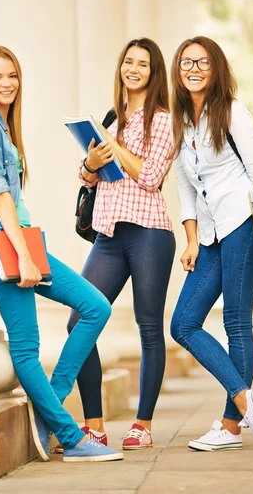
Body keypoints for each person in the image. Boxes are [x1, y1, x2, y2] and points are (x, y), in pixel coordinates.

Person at [0, 45, 124, 463]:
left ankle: (50, 410)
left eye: (11, 75)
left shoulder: (2, 125)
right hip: (3, 248)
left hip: (24, 242)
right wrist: (25, 257)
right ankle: (70, 437)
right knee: (27, 347)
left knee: (95, 307)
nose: (6, 83)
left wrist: (31, 250)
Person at [169, 36, 253, 452]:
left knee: (237, 322)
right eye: (186, 63)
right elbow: (183, 184)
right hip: (210, 231)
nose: (193, 69)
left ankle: (231, 426)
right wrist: (191, 240)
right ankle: (244, 399)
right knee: (182, 323)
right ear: (178, 72)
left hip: (242, 221)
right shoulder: (180, 120)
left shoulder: (233, 111)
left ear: (216, 68)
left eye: (201, 62)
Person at [66, 38, 176, 450]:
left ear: (153, 72)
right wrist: (91, 163)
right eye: (128, 61)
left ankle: (142, 426)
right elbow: (89, 178)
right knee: (80, 321)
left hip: (149, 232)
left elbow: (149, 177)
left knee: (149, 327)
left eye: (142, 64)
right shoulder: (112, 118)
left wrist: (118, 149)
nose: (133, 68)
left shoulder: (163, 119)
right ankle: (93, 425)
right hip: (109, 235)